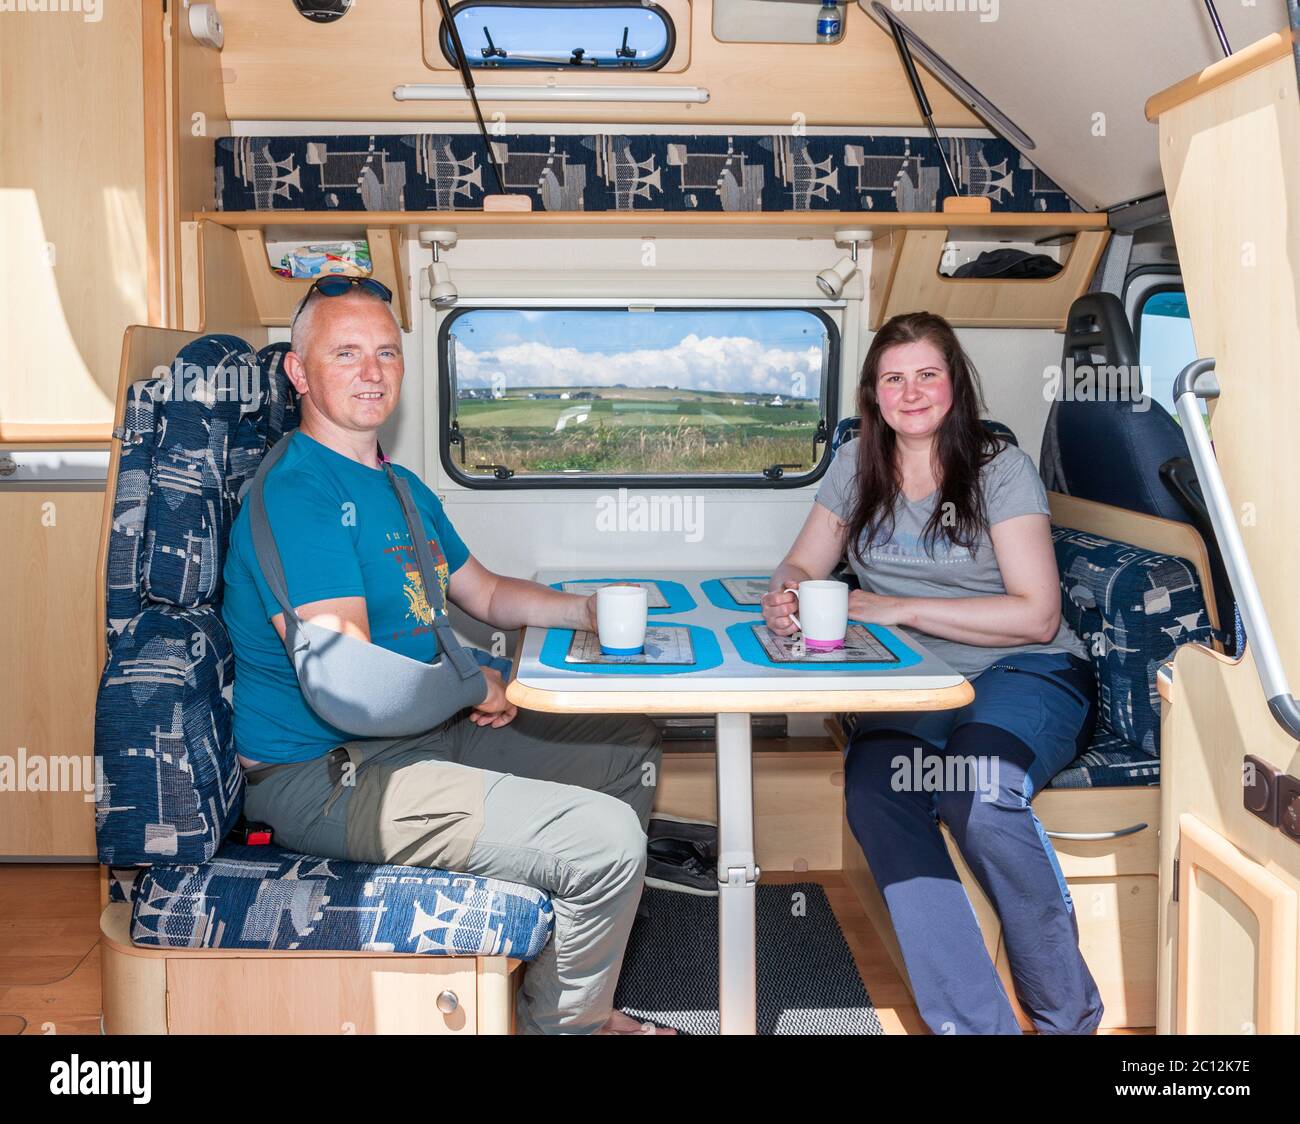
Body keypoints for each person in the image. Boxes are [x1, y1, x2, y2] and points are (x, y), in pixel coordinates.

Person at [222, 277, 673, 1035]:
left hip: (417, 736)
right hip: (329, 773)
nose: (373, 371)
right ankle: (567, 1027)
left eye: (387, 353)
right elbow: (351, 686)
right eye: (347, 353)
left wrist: (587, 608)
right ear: (300, 373)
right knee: (607, 840)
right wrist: (473, 683)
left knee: (628, 750)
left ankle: (567, 986)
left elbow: (487, 594)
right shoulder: (298, 493)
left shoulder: (398, 487)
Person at [761, 310, 1102, 1035]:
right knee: (876, 788)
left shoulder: (998, 469)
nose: (910, 393)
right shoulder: (858, 467)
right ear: (873, 395)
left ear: (955, 385)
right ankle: (975, 1025)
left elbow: (1036, 615)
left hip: (1025, 669)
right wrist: (786, 592)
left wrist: (892, 607)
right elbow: (802, 562)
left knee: (979, 790)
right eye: (894, 378)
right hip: (915, 679)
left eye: (927, 375)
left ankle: (1067, 1018)